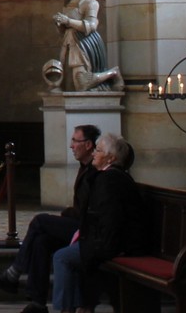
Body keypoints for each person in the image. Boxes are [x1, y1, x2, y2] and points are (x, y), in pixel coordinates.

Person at [0, 124, 99, 307]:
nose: (71, 146)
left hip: (88, 230)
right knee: (41, 241)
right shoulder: (84, 167)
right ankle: (37, 304)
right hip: (79, 223)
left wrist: (70, 213)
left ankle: (13, 273)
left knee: (40, 221)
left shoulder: (95, 170)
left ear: (88, 145)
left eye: (75, 141)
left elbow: (91, 208)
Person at [48, 131, 139, 313]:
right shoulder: (109, 176)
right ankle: (80, 306)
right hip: (104, 239)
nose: (94, 154)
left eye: (98, 150)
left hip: (113, 244)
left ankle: (67, 309)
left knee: (62, 257)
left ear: (110, 158)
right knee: (54, 244)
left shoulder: (110, 180)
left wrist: (91, 245)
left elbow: (110, 220)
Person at [49, 0, 121, 92]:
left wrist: (67, 21)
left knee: (81, 84)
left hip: (83, 43)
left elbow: (91, 25)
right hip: (68, 42)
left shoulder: (91, 2)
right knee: (67, 79)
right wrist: (59, 24)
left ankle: (113, 73)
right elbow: (63, 31)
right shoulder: (68, 4)